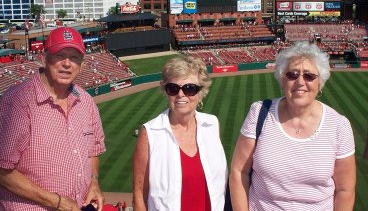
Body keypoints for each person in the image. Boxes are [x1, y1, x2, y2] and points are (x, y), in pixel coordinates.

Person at [0, 27, 106, 211]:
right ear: (44, 58)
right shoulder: (17, 101)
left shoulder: (86, 101)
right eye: (60, 55)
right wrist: (56, 201)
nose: (67, 63)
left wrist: (94, 181)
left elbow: (92, 152)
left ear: (81, 64)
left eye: (74, 57)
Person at [229, 41, 356, 210]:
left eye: (309, 76)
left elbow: (345, 190)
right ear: (282, 81)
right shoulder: (259, 112)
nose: (300, 82)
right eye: (292, 75)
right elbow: (239, 172)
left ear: (320, 83)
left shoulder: (339, 125)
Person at [133, 55, 227, 211]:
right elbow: (139, 196)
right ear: (166, 91)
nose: (181, 95)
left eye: (190, 88)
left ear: (201, 92)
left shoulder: (212, 124)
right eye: (173, 88)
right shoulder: (150, 133)